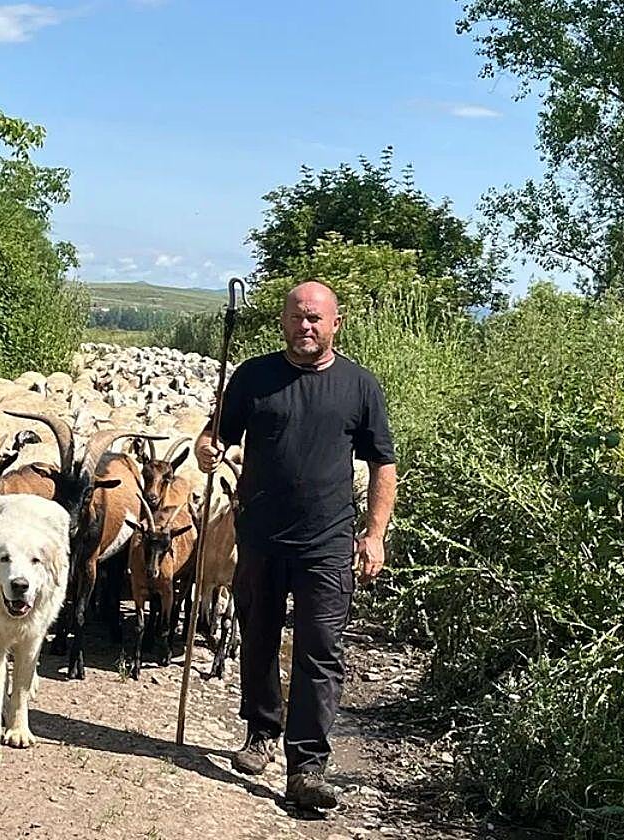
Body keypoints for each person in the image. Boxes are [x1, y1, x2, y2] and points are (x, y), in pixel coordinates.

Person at [195, 280, 397, 810]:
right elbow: (215, 435)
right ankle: (262, 732)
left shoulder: (359, 386)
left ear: (335, 324)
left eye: (315, 318)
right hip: (260, 536)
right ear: (283, 322)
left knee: (320, 650)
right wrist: (207, 449)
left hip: (328, 543)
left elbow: (383, 463)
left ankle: (307, 767)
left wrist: (374, 534)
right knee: (258, 637)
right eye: (297, 316)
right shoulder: (253, 376)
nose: (306, 326)